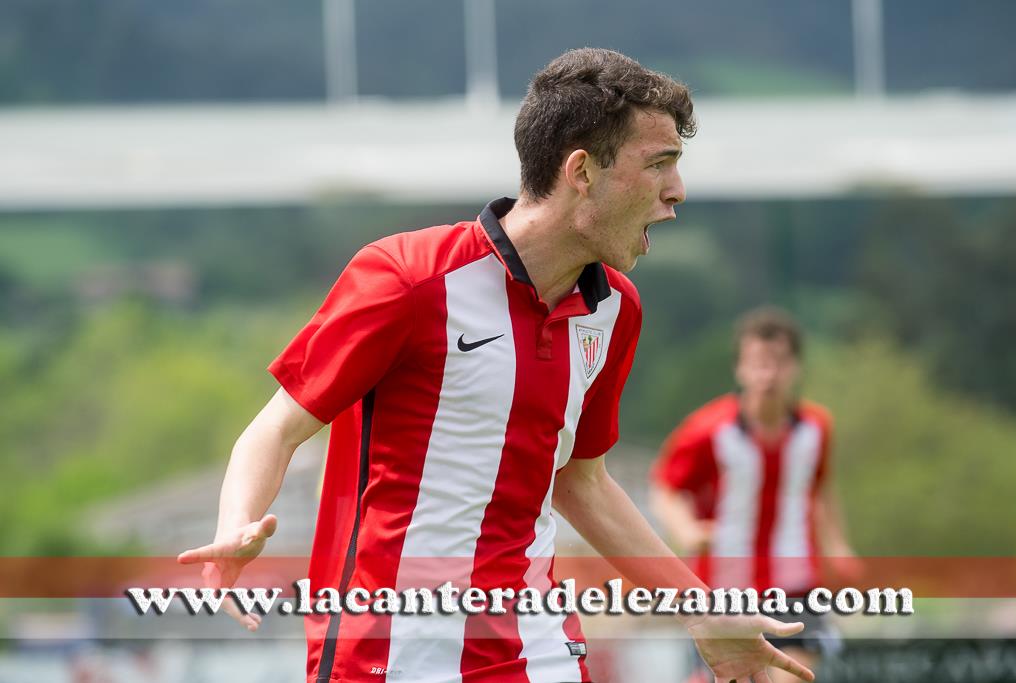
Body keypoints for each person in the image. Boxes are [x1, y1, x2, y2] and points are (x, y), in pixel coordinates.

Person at [179, 49, 815, 683]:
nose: (677, 192)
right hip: (390, 654)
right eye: (659, 165)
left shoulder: (615, 310)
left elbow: (580, 480)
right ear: (582, 172)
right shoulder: (407, 279)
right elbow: (276, 428)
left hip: (536, 648)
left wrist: (698, 610)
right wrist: (236, 529)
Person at [650, 307, 858, 683]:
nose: (768, 373)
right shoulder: (707, 430)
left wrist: (839, 546)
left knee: (795, 675)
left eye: (778, 362)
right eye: (758, 363)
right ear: (740, 369)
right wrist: (686, 531)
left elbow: (820, 488)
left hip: (796, 585)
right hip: (725, 590)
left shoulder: (817, 428)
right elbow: (667, 488)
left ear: (795, 367)